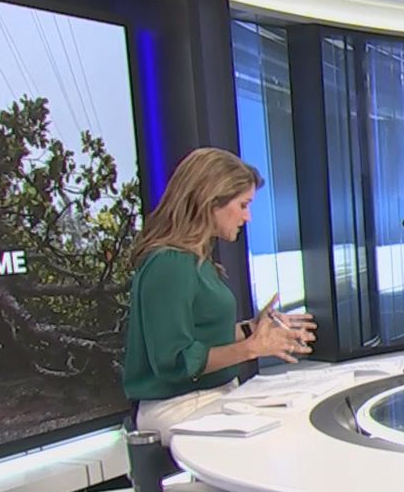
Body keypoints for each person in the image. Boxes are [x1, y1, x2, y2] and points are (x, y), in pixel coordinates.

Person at [122, 148, 314, 442]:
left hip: (211, 395)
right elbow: (174, 362)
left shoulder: (197, 262)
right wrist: (252, 348)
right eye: (243, 205)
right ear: (211, 201)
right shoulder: (169, 264)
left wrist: (252, 328)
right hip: (178, 405)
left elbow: (201, 339)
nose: (248, 217)